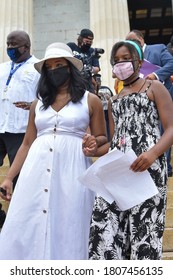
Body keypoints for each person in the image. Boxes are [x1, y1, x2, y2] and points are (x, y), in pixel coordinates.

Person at [0, 42, 107, 260]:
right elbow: (27, 143)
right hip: (35, 169)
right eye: (49, 67)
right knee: (28, 220)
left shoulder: (91, 100)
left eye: (59, 64)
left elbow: (104, 139)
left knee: (70, 220)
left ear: (70, 67)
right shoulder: (38, 104)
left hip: (73, 168)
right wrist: (9, 178)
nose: (54, 70)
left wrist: (94, 143)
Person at [89, 40, 173, 260]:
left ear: (138, 61)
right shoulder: (113, 100)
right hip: (117, 171)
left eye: (126, 58)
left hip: (148, 168)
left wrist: (153, 153)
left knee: (144, 231)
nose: (121, 64)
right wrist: (94, 149)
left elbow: (171, 128)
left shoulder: (154, 87)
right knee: (104, 228)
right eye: (116, 61)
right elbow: (114, 141)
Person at [125, 29, 173, 177]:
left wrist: (155, 75)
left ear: (141, 39)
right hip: (144, 103)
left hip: (165, 98)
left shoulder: (158, 48)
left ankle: (164, 166)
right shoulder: (130, 58)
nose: (130, 43)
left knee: (166, 130)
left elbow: (171, 63)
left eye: (132, 40)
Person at [0, 30, 40, 190]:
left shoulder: (38, 68)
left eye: (14, 45)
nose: (10, 47)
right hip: (1, 124)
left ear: (26, 47)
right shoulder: (2, 68)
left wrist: (33, 104)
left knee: (18, 177)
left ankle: (19, 213)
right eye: (8, 44)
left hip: (21, 131)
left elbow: (45, 96)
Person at [92, 74, 113, 141]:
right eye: (97, 80)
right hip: (100, 112)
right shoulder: (92, 91)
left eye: (99, 80)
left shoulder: (106, 89)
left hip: (107, 111)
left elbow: (112, 98)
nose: (98, 82)